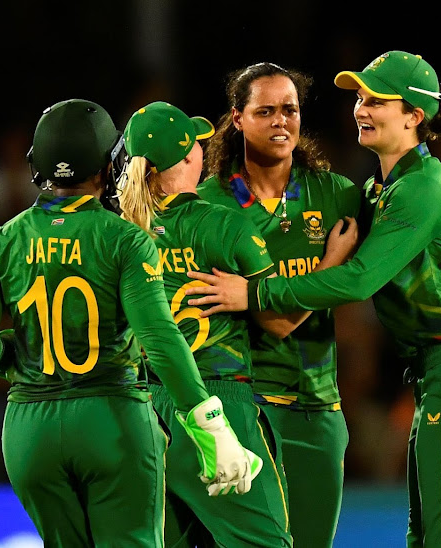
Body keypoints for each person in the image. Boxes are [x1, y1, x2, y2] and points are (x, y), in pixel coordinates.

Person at [186, 51, 441, 548]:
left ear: (414, 115)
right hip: (253, 400)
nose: (362, 108)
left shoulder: (362, 192)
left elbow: (359, 279)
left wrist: (253, 292)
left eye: (377, 99)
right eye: (360, 98)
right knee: (433, 534)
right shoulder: (374, 192)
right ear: (235, 119)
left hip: (435, 372)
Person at [0, 99, 258, 547]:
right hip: (111, 419)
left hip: (29, 428)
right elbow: (158, 338)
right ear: (110, 163)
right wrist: (211, 423)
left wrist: (9, 358)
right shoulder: (125, 239)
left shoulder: (6, 237)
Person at [119, 100, 309, 547]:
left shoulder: (122, 232)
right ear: (189, 158)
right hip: (219, 401)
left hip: (142, 413)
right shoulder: (227, 225)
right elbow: (280, 321)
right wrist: (339, 261)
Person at [196, 62, 362, 547]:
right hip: (245, 410)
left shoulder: (336, 195)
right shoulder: (209, 205)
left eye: (289, 109)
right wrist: (329, 269)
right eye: (264, 110)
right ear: (237, 118)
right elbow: (278, 323)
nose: (280, 121)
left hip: (319, 408)